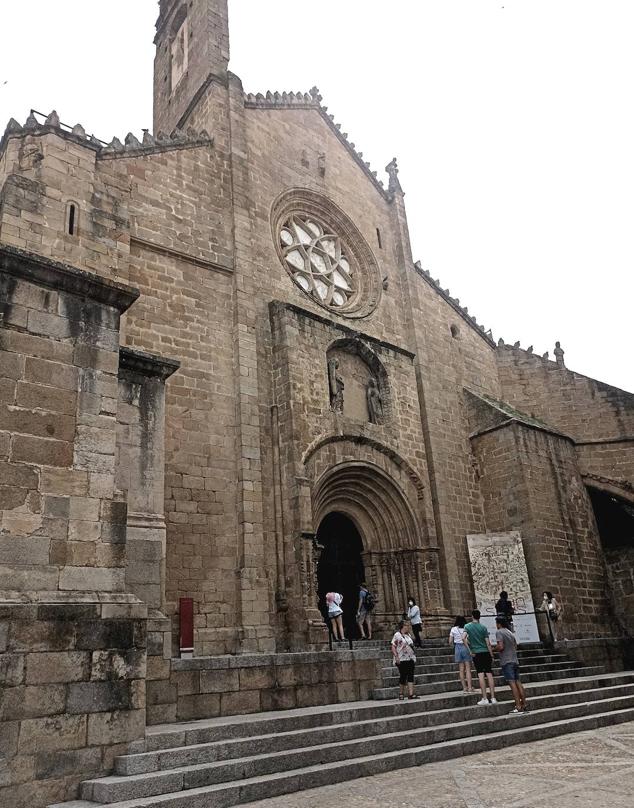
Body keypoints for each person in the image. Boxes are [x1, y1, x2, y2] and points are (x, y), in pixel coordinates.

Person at [493, 617, 528, 714]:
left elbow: (500, 646)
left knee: (512, 684)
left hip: (507, 661)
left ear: (499, 624)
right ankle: (524, 704)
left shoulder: (499, 632)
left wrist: (492, 649)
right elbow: (515, 645)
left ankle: (518, 706)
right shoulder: (510, 632)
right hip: (514, 660)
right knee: (518, 683)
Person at [464, 609, 497, 706]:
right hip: (486, 652)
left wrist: (470, 650)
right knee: (489, 674)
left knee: (481, 675)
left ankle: (485, 698)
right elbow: (488, 643)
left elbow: (463, 638)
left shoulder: (468, 626)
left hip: (476, 653)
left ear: (472, 616)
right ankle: (493, 697)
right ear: (479, 616)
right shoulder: (483, 627)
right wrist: (491, 654)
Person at [391, 619, 418, 700]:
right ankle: (401, 693)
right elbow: (393, 646)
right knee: (403, 675)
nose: (408, 627)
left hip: (410, 658)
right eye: (407, 625)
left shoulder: (408, 635)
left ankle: (411, 694)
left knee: (410, 675)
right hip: (401, 658)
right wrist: (396, 656)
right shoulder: (397, 635)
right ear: (402, 626)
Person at [449, 615, 472, 692]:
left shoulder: (453, 629)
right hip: (465, 647)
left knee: (461, 669)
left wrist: (454, 645)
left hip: (457, 648)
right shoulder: (466, 628)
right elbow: (468, 640)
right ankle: (469, 687)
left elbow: (450, 641)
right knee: (468, 669)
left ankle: (464, 688)